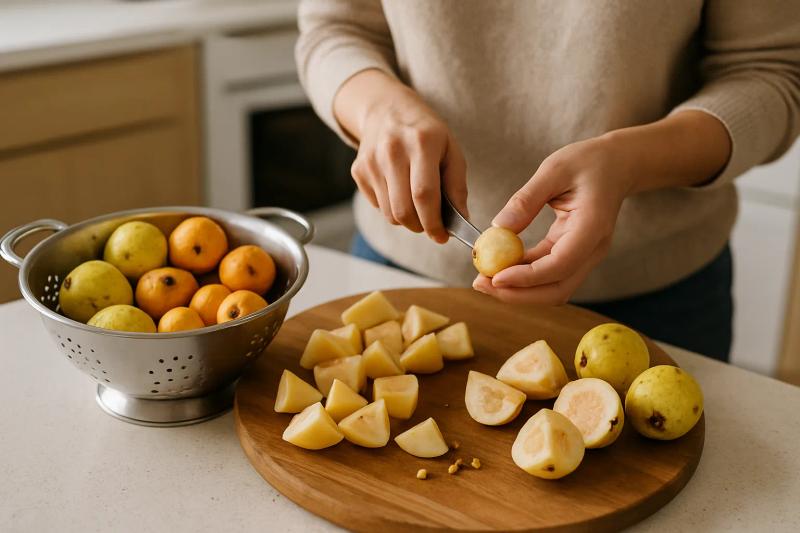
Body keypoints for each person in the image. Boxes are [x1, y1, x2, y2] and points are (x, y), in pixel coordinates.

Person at [295, 1, 800, 362]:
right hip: (404, 274)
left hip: (657, 300)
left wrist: (631, 162)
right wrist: (378, 109)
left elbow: (772, 72)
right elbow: (334, 30)